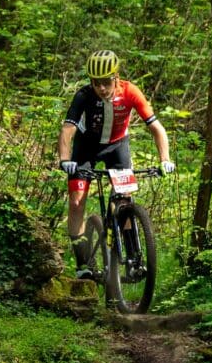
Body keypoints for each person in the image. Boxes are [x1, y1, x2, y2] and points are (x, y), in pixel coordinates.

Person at [58, 49, 173, 273]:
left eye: (105, 82)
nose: (101, 87)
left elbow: (157, 129)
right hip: (86, 148)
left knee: (124, 201)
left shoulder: (130, 92)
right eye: (96, 82)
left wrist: (165, 159)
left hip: (117, 146)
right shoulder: (84, 95)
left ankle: (133, 260)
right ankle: (83, 263)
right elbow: (67, 130)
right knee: (76, 201)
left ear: (116, 78)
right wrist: (65, 159)